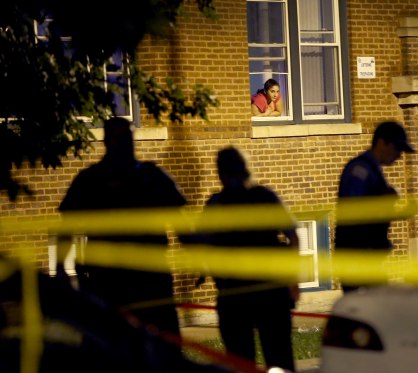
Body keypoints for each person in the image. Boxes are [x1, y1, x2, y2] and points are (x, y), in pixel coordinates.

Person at [57, 117, 187, 370]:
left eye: (127, 138)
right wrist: (62, 269)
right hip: (105, 283)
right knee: (106, 351)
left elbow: (181, 222)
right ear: (107, 142)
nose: (124, 144)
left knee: (162, 350)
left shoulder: (152, 176)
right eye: (119, 138)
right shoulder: (90, 180)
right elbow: (67, 228)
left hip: (151, 281)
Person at [198, 146, 299, 371]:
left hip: (235, 294)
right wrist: (293, 281)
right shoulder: (266, 197)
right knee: (280, 358)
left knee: (240, 361)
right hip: (271, 292)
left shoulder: (216, 204)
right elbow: (293, 238)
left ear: (221, 173)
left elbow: (203, 245)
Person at [335, 120, 415, 293]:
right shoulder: (361, 170)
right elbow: (356, 212)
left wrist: (400, 213)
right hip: (357, 258)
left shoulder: (372, 170)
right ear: (382, 143)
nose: (400, 155)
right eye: (397, 148)